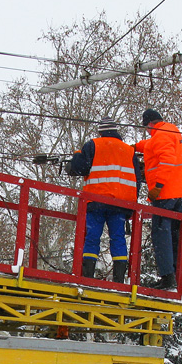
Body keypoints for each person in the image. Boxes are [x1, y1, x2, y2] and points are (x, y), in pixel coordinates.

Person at [67, 118, 139, 282]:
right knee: (118, 238)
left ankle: (88, 276)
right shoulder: (129, 151)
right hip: (120, 204)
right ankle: (119, 279)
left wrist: (77, 155)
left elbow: (80, 168)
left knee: (92, 237)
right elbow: (137, 180)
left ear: (100, 131)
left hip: (96, 200)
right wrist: (131, 206)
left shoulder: (93, 145)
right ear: (116, 132)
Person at [134, 108, 182, 290]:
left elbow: (167, 160)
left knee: (160, 235)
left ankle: (167, 278)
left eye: (146, 128)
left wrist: (158, 186)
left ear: (150, 124)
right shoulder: (170, 131)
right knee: (172, 234)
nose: (147, 132)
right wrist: (133, 147)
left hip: (165, 193)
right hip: (178, 192)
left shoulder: (161, 135)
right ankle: (172, 276)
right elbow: (149, 146)